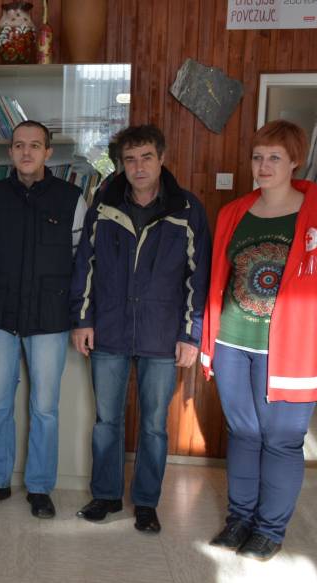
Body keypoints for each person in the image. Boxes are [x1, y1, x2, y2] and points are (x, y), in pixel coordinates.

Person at [200, 120, 317, 561]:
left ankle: (269, 530)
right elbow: (221, 274)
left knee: (282, 440)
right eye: (257, 157)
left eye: (274, 158)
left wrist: (311, 333)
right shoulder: (235, 213)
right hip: (233, 343)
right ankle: (239, 520)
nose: (263, 166)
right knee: (243, 434)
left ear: (295, 162)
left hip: (289, 350)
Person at [69, 124, 210, 533]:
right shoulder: (103, 205)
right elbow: (85, 266)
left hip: (161, 335)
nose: (138, 167)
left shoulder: (186, 209)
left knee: (153, 425)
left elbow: (198, 277)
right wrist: (83, 320)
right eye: (130, 160)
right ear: (121, 165)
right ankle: (106, 495)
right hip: (109, 329)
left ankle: (146, 502)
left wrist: (190, 334)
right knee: (106, 422)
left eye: (146, 157)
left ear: (161, 159)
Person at [0, 121, 86, 518]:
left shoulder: (71, 198)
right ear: (10, 152)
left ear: (48, 152)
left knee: (45, 407)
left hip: (49, 316)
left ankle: (39, 487)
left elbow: (80, 258)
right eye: (19, 145)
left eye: (35, 146)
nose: (26, 152)